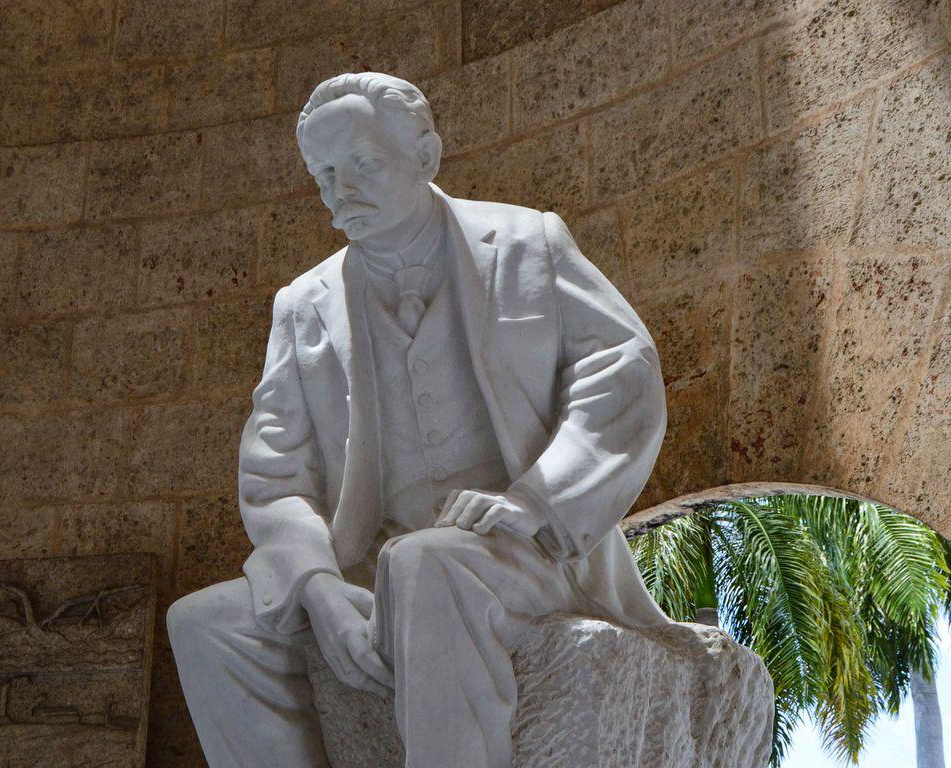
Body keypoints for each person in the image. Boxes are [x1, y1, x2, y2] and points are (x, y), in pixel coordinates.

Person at [167, 72, 670, 768]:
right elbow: (275, 475)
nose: (341, 192)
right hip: (369, 566)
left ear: (425, 155)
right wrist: (317, 589)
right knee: (204, 624)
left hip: (527, 549)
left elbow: (623, 376)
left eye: (362, 164)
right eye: (324, 175)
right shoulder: (302, 304)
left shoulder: (529, 244)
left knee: (423, 563)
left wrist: (535, 502)